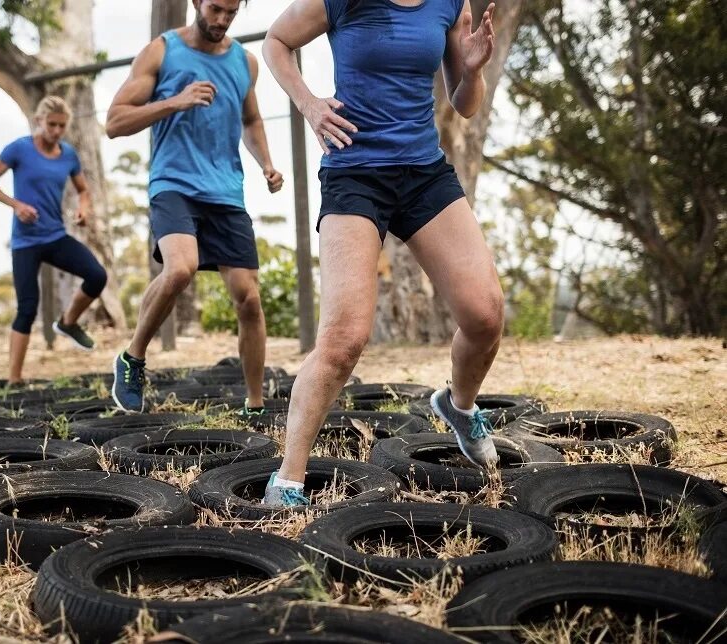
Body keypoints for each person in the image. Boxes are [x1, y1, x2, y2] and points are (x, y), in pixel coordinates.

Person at [261, 0, 504, 506]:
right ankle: (286, 481)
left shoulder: (448, 4)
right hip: (355, 173)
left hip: (423, 173)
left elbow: (465, 103)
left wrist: (474, 69)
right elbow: (276, 42)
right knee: (345, 337)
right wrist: (309, 104)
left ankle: (459, 407)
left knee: (485, 317)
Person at [105, 0, 284, 414]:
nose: (221, 20)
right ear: (196, 3)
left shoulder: (246, 62)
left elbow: (251, 120)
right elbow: (114, 122)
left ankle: (255, 403)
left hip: (225, 192)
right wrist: (175, 101)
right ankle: (132, 358)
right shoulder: (162, 51)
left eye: (231, 13)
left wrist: (267, 164)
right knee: (181, 268)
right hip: (174, 184)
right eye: (216, 9)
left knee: (249, 299)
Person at [0, 96, 108, 385]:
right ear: (39, 121)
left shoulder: (68, 155)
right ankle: (14, 378)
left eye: (62, 126)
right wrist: (16, 205)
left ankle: (68, 322)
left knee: (97, 275)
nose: (56, 131)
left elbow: (83, 190)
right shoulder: (19, 149)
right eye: (51, 124)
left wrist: (83, 209)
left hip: (55, 235)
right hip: (26, 242)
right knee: (27, 307)